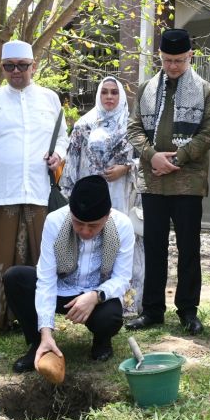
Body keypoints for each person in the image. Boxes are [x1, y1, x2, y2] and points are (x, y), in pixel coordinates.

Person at [0, 40, 68, 328]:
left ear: (33, 66)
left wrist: (58, 155)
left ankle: (39, 317)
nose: (16, 72)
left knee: (40, 255)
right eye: (9, 66)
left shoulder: (49, 99)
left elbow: (63, 137)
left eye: (22, 66)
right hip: (1, 191)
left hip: (38, 190)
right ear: (2, 68)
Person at [125, 28, 210, 335]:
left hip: (187, 182)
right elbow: (134, 129)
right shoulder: (146, 89)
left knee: (189, 247)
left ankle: (188, 311)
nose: (173, 66)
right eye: (167, 60)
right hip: (153, 182)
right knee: (154, 247)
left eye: (179, 60)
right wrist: (152, 156)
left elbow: (208, 133)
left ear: (190, 56)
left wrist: (178, 159)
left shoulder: (204, 90)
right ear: (160, 58)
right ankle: (152, 310)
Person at [2, 175, 134, 372]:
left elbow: (122, 278)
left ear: (107, 217)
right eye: (78, 223)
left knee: (111, 316)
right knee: (15, 278)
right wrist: (46, 332)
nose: (85, 231)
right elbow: (46, 279)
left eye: (93, 226)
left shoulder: (122, 225)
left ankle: (102, 342)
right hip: (60, 290)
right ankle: (39, 344)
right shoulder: (55, 221)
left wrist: (95, 296)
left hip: (95, 293)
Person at [60, 76, 145, 317]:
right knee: (92, 244)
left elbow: (143, 159)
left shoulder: (132, 127)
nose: (109, 97)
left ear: (121, 97)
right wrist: (72, 196)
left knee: (122, 245)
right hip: (90, 197)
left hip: (120, 195)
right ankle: (88, 298)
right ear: (98, 95)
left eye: (114, 93)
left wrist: (125, 168)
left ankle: (126, 304)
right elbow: (73, 161)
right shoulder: (83, 125)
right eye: (105, 92)